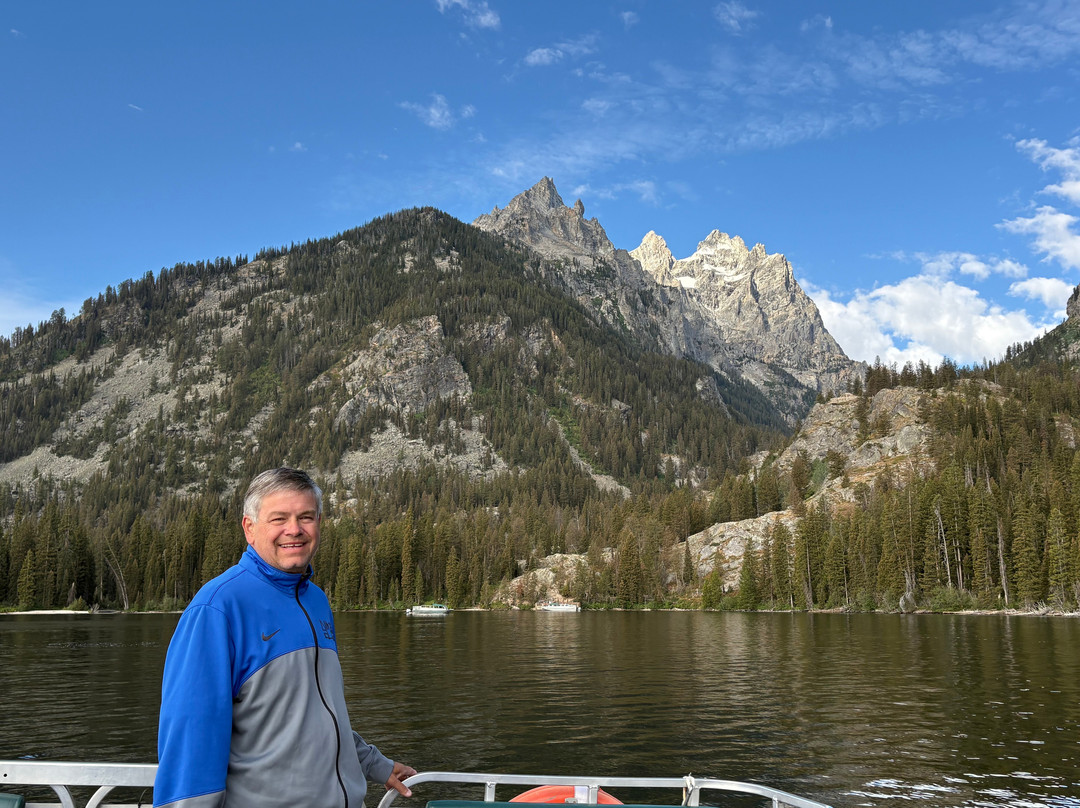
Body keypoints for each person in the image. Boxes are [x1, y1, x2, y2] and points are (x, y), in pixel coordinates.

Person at [154, 467, 416, 808]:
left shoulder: (316, 600)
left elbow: (313, 713)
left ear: (319, 523)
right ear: (250, 528)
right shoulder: (217, 607)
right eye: (279, 518)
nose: (294, 530)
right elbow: (191, 738)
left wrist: (373, 763)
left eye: (305, 517)